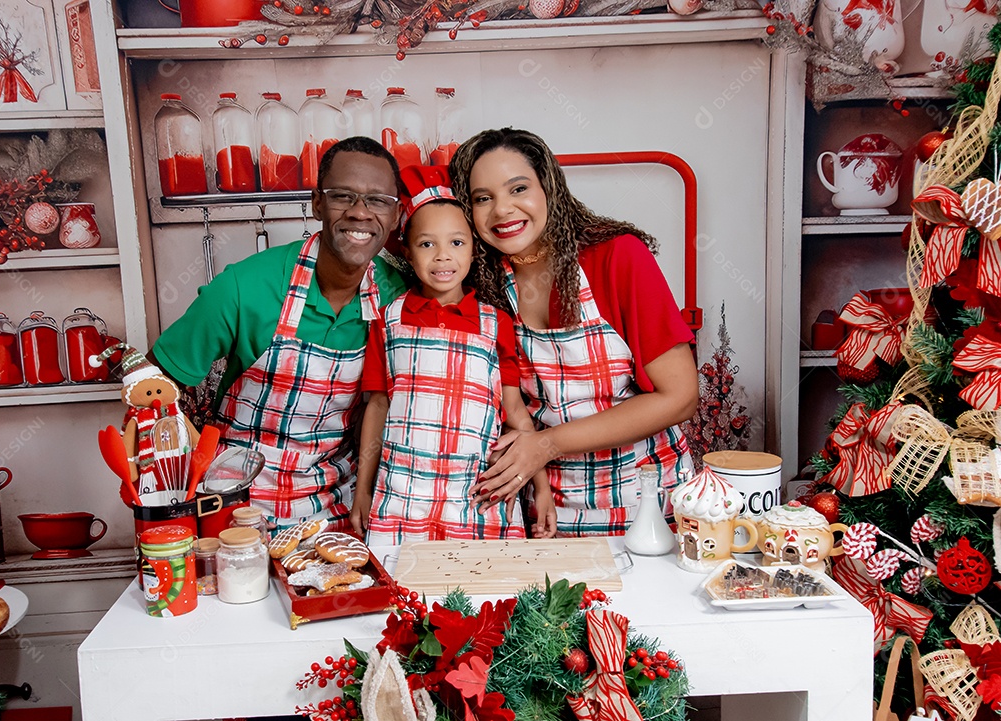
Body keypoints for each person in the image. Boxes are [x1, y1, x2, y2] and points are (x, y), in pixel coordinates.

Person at [448, 128, 699, 537]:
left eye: (518, 188)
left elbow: (680, 396)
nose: (502, 210)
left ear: (549, 187)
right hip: (548, 513)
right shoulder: (483, 283)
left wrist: (546, 445)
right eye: (482, 198)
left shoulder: (617, 257)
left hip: (650, 507)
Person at [151, 137, 408, 532]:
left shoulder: (398, 298)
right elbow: (153, 387)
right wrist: (173, 497)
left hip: (338, 511)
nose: (360, 213)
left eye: (377, 201)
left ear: (395, 215)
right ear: (316, 202)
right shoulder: (244, 286)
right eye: (343, 196)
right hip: (234, 508)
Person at [350, 165, 556, 543]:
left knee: (481, 596)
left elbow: (514, 412)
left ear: (474, 250)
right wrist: (363, 488)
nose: (443, 256)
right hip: (402, 498)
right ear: (408, 254)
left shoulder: (496, 325)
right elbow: (377, 407)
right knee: (403, 594)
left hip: (477, 497)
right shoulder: (389, 319)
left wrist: (540, 486)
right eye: (428, 244)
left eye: (457, 243)